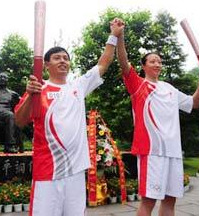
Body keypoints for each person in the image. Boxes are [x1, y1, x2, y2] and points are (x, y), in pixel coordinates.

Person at [14, 21, 123, 216]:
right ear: (47, 64)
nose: (62, 61)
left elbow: (103, 63)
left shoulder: (78, 87)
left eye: (66, 58)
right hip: (48, 171)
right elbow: (20, 121)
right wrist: (30, 95)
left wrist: (113, 35)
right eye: (57, 58)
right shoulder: (38, 89)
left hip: (75, 170)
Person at [113, 17, 199, 216]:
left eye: (159, 61)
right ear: (143, 66)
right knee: (148, 201)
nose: (157, 64)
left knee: (170, 201)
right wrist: (119, 36)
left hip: (173, 151)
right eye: (152, 61)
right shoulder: (138, 85)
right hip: (152, 151)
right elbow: (123, 62)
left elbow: (194, 103)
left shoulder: (170, 89)